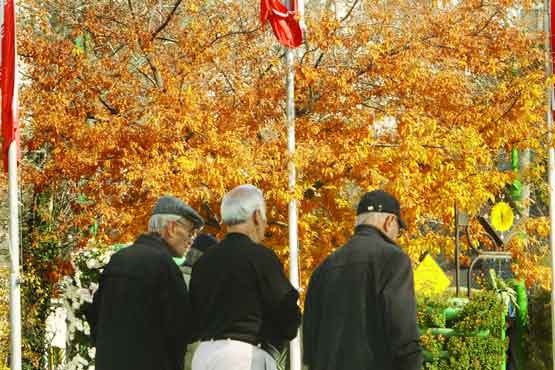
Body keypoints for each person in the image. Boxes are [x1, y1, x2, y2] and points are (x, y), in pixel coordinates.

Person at [302, 190, 422, 370]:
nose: (397, 235)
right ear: (389, 222)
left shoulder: (324, 268)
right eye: (399, 229)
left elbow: (310, 343)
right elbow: (403, 332)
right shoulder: (393, 259)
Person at [190, 184, 301, 370]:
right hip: (244, 357)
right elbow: (287, 312)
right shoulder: (261, 257)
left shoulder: (203, 261)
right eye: (265, 217)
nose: (265, 225)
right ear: (257, 216)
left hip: (204, 355)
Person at [86, 195, 204, 370]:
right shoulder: (165, 267)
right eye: (190, 231)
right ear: (171, 228)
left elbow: (95, 317)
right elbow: (182, 330)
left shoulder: (118, 260)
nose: (191, 239)